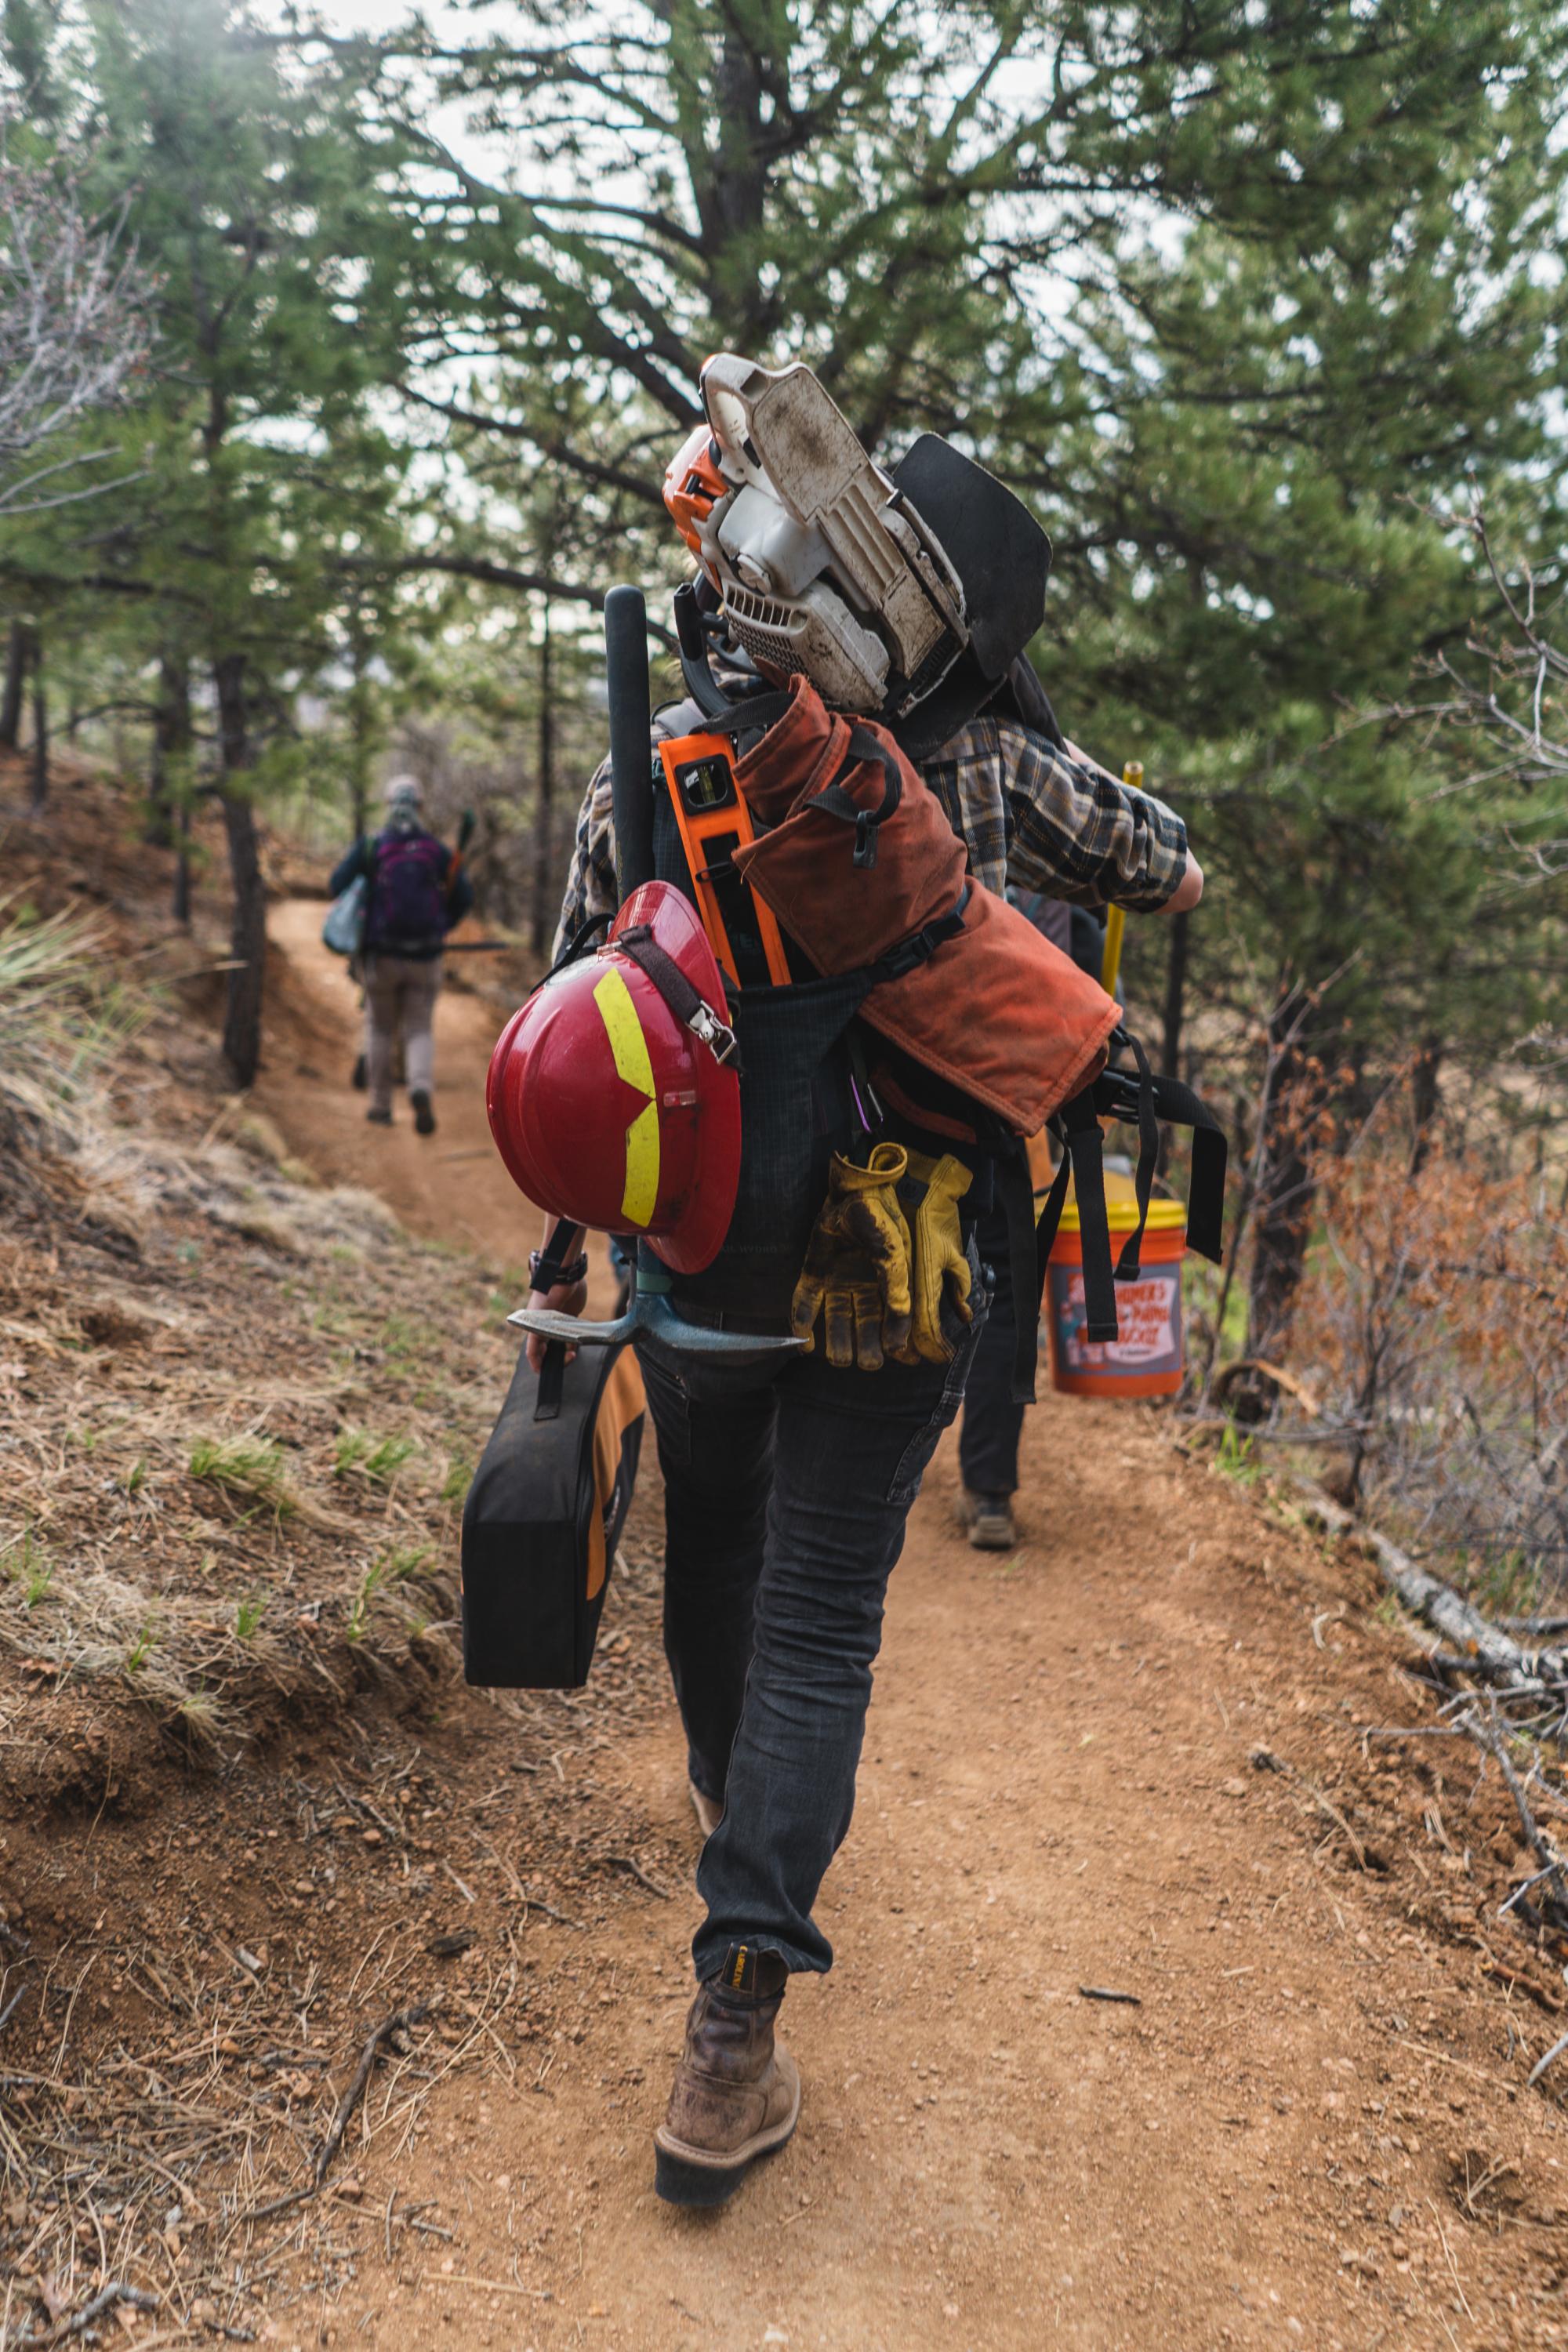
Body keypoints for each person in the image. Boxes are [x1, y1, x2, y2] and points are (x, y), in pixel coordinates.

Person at [509, 355, 1204, 2207]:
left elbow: (579, 973)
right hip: (911, 1245)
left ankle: (731, 1801)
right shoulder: (983, 757)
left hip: (711, 1240)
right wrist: (1044, 771)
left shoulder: (669, 748)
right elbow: (1170, 869)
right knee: (825, 1610)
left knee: (716, 1548)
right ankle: (728, 2035)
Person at [955, 889, 1120, 1550]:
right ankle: (987, 1490)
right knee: (1003, 1297)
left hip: (904, 1107)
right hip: (1008, 1118)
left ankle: (853, 1470)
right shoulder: (1060, 907)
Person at [328, 776, 472, 1134]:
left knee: (378, 1028)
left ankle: (380, 1107)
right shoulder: (435, 851)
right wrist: (441, 926)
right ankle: (419, 1088)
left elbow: (334, 885)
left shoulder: (372, 847)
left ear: (389, 804)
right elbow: (464, 897)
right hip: (426, 957)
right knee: (419, 1029)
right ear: (420, 807)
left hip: (381, 957)